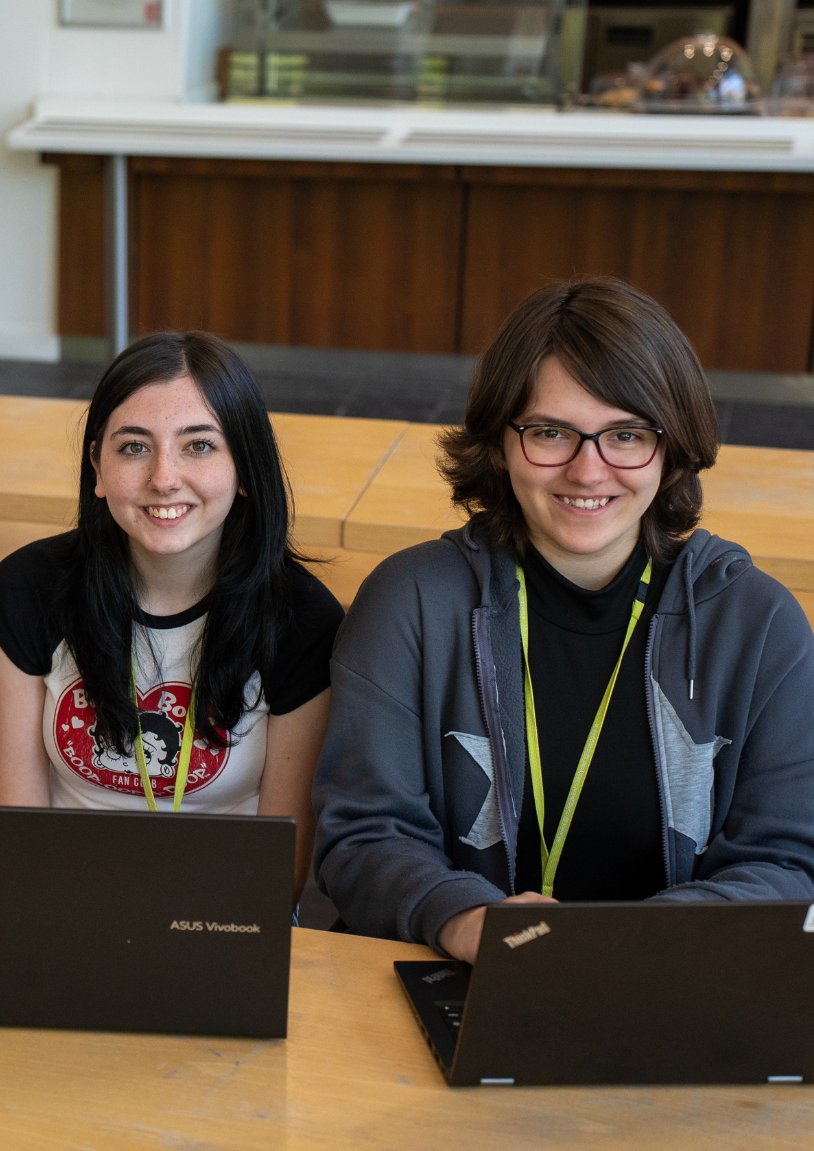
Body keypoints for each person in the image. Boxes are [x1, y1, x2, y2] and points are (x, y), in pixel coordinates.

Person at [314, 277, 814, 962]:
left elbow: (786, 864)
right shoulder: (410, 601)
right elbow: (364, 837)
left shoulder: (757, 624)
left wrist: (634, 946)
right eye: (550, 432)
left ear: (672, 451)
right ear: (498, 442)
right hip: (460, 973)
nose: (588, 469)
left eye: (626, 435)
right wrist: (464, 920)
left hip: (676, 983)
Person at [0, 332, 344, 900]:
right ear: (96, 466)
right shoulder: (28, 591)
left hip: (225, 914)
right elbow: (17, 831)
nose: (164, 477)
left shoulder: (302, 619)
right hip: (60, 906)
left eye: (198, 446)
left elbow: (280, 860)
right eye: (133, 447)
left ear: (245, 466)